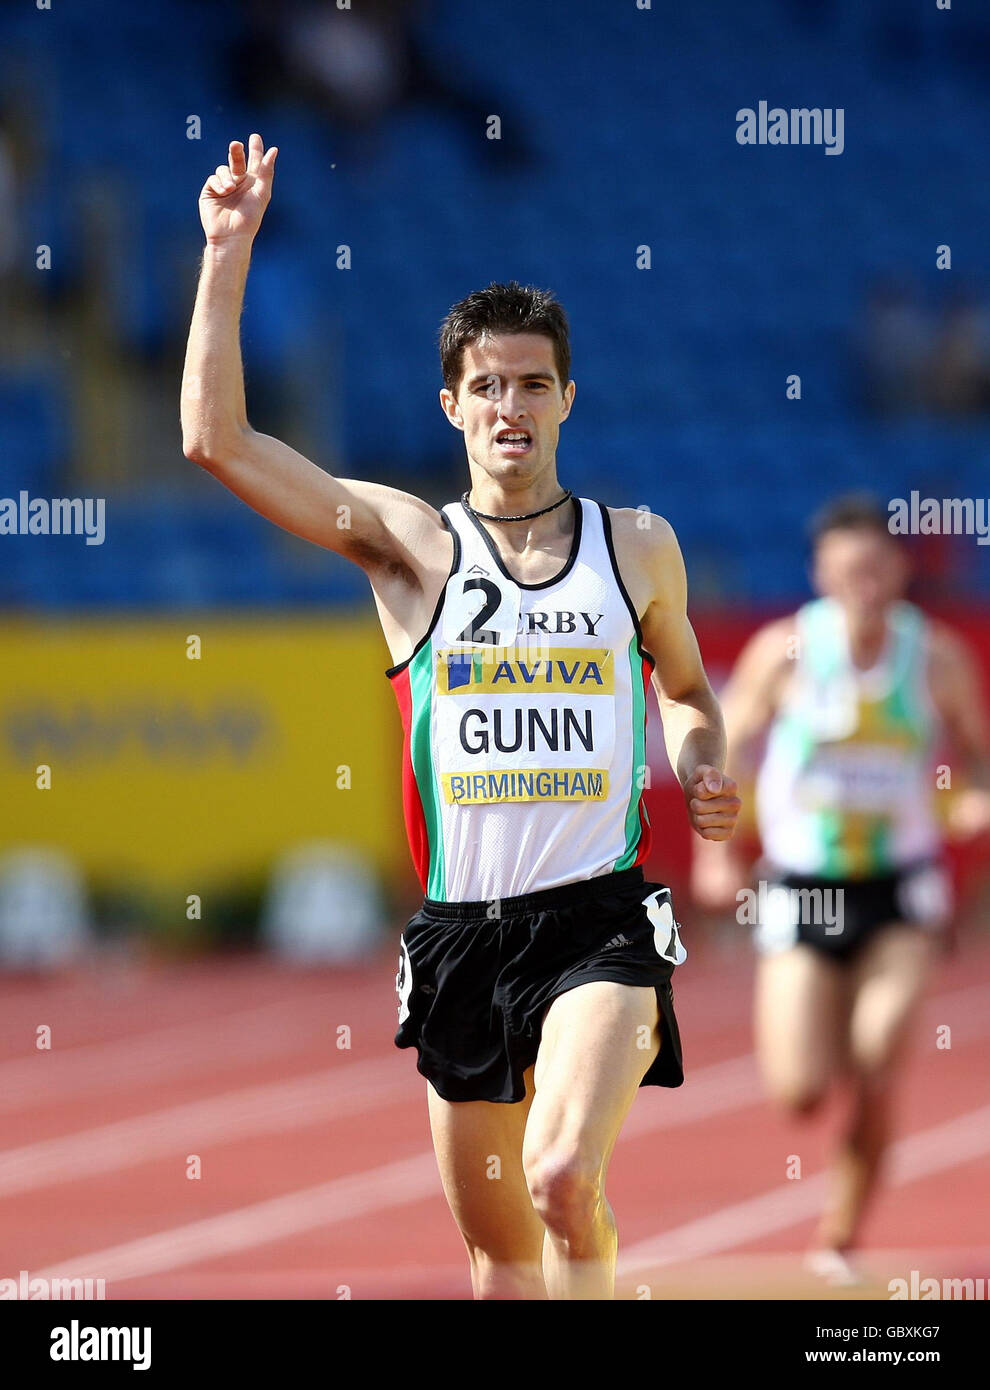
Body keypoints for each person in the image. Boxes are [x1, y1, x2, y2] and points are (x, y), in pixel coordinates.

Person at [181, 134, 741, 1300]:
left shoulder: (636, 547)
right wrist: (226, 253)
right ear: (451, 405)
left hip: (596, 923)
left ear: (567, 397)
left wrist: (701, 759)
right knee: (495, 1254)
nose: (510, 406)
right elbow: (216, 442)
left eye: (534, 382)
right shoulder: (414, 549)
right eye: (486, 384)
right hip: (457, 939)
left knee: (556, 1179)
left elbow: (684, 690)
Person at [692, 494, 990, 1284]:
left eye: (877, 568)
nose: (864, 583)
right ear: (821, 573)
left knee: (878, 1050)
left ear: (899, 572)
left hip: (900, 887)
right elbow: (719, 754)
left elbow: (977, 754)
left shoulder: (936, 659)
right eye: (847, 569)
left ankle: (841, 1231)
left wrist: (971, 798)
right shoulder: (782, 653)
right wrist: (716, 851)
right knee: (799, 1090)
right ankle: (835, 1134)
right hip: (802, 888)